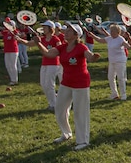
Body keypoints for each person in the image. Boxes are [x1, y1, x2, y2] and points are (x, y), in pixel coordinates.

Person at [34, 22, 101, 150]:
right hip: (66, 82)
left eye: (70, 30)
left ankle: (83, 141)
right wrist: (38, 43)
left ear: (76, 35)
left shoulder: (81, 47)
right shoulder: (62, 47)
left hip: (80, 83)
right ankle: (66, 133)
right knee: (59, 109)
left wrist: (93, 57)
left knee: (80, 113)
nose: (66, 32)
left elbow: (89, 56)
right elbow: (48, 53)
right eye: (67, 30)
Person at [16, 20, 61, 111]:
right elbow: (29, 43)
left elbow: (59, 50)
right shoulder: (42, 39)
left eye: (45, 27)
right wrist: (19, 39)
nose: (43, 29)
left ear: (50, 29)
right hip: (44, 63)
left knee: (49, 84)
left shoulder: (55, 39)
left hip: (54, 64)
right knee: (43, 84)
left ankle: (54, 105)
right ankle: (54, 100)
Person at [88, 24, 131, 100]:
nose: (111, 32)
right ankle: (114, 94)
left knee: (120, 78)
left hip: (120, 61)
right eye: (111, 31)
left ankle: (123, 95)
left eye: (113, 31)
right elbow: (100, 40)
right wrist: (92, 35)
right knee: (110, 77)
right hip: (112, 61)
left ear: (118, 32)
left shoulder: (120, 39)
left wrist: (127, 41)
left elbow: (127, 46)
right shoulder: (109, 38)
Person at [1, 20, 20, 85]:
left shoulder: (15, 32)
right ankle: (11, 79)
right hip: (6, 50)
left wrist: (15, 34)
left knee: (13, 65)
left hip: (13, 50)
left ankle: (15, 80)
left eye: (9, 24)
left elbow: (19, 35)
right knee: (8, 65)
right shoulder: (5, 32)